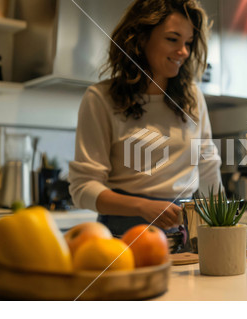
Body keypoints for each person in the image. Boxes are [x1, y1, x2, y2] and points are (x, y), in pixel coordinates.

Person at [69, 0, 222, 237]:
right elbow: (82, 189)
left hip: (185, 235)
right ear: (140, 39)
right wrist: (143, 207)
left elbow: (208, 165)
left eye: (188, 43)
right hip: (122, 236)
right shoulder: (100, 99)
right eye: (173, 39)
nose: (183, 51)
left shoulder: (193, 97)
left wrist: (220, 225)